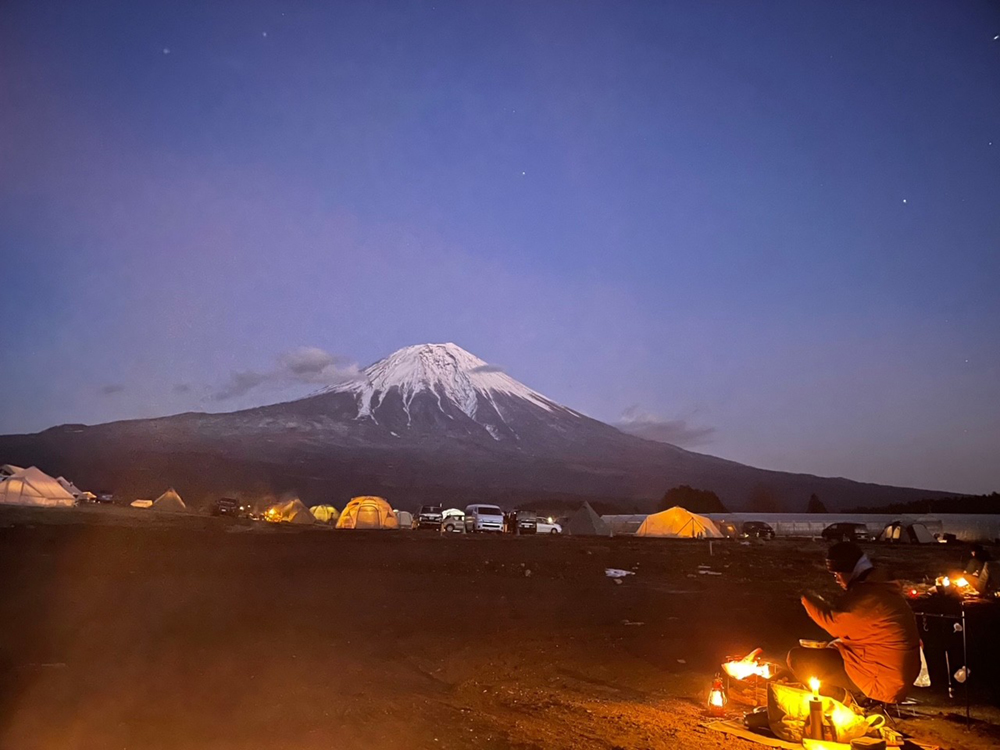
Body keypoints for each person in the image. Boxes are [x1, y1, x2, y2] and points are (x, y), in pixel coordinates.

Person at [787, 542, 920, 704]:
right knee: (830, 649)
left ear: (850, 571)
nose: (836, 579)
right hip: (890, 673)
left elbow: (832, 621)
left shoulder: (868, 598)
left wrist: (806, 596)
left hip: (882, 682)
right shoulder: (880, 590)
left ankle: (842, 702)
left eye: (837, 573)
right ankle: (847, 697)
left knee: (799, 659)